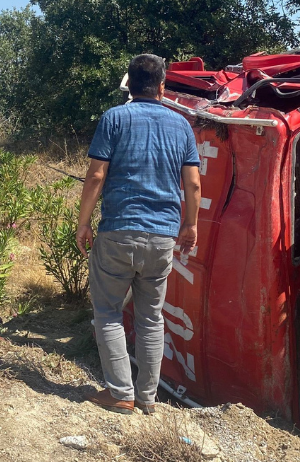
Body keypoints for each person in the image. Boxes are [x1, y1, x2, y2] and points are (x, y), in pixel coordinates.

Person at [76, 54, 201, 415]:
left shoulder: (114, 118)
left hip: (118, 231)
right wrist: (189, 226)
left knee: (108, 311)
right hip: (162, 237)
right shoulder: (182, 126)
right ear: (163, 86)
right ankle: (147, 399)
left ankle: (119, 392)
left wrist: (83, 222)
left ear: (128, 83)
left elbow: (96, 175)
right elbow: (192, 183)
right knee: (151, 318)